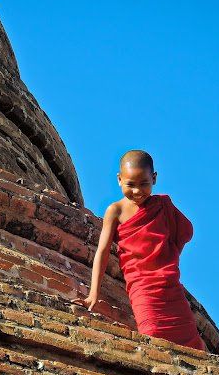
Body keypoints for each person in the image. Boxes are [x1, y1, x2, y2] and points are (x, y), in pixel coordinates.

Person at [74, 150, 207, 351]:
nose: (137, 191)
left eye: (144, 184)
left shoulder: (163, 205)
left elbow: (186, 230)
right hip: (143, 287)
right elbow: (102, 251)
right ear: (119, 180)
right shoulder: (115, 211)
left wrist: (168, 253)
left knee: (192, 345)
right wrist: (93, 294)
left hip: (169, 284)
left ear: (154, 178)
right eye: (130, 185)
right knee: (152, 335)